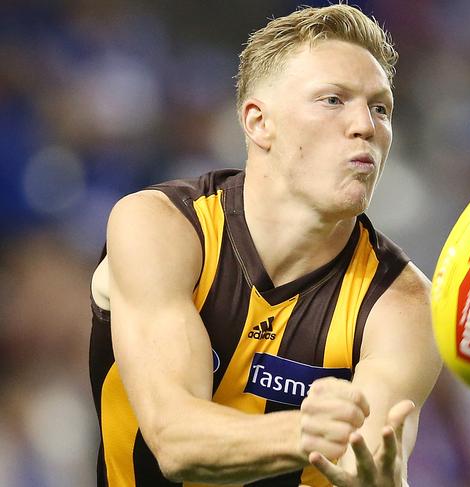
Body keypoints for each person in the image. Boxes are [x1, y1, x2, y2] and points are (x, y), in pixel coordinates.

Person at [89, 4, 441, 486]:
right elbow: (174, 440)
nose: (366, 125)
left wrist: (376, 479)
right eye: (334, 100)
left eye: (380, 107)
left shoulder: (402, 304)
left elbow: (371, 459)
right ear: (258, 122)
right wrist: (310, 432)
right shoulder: (161, 226)